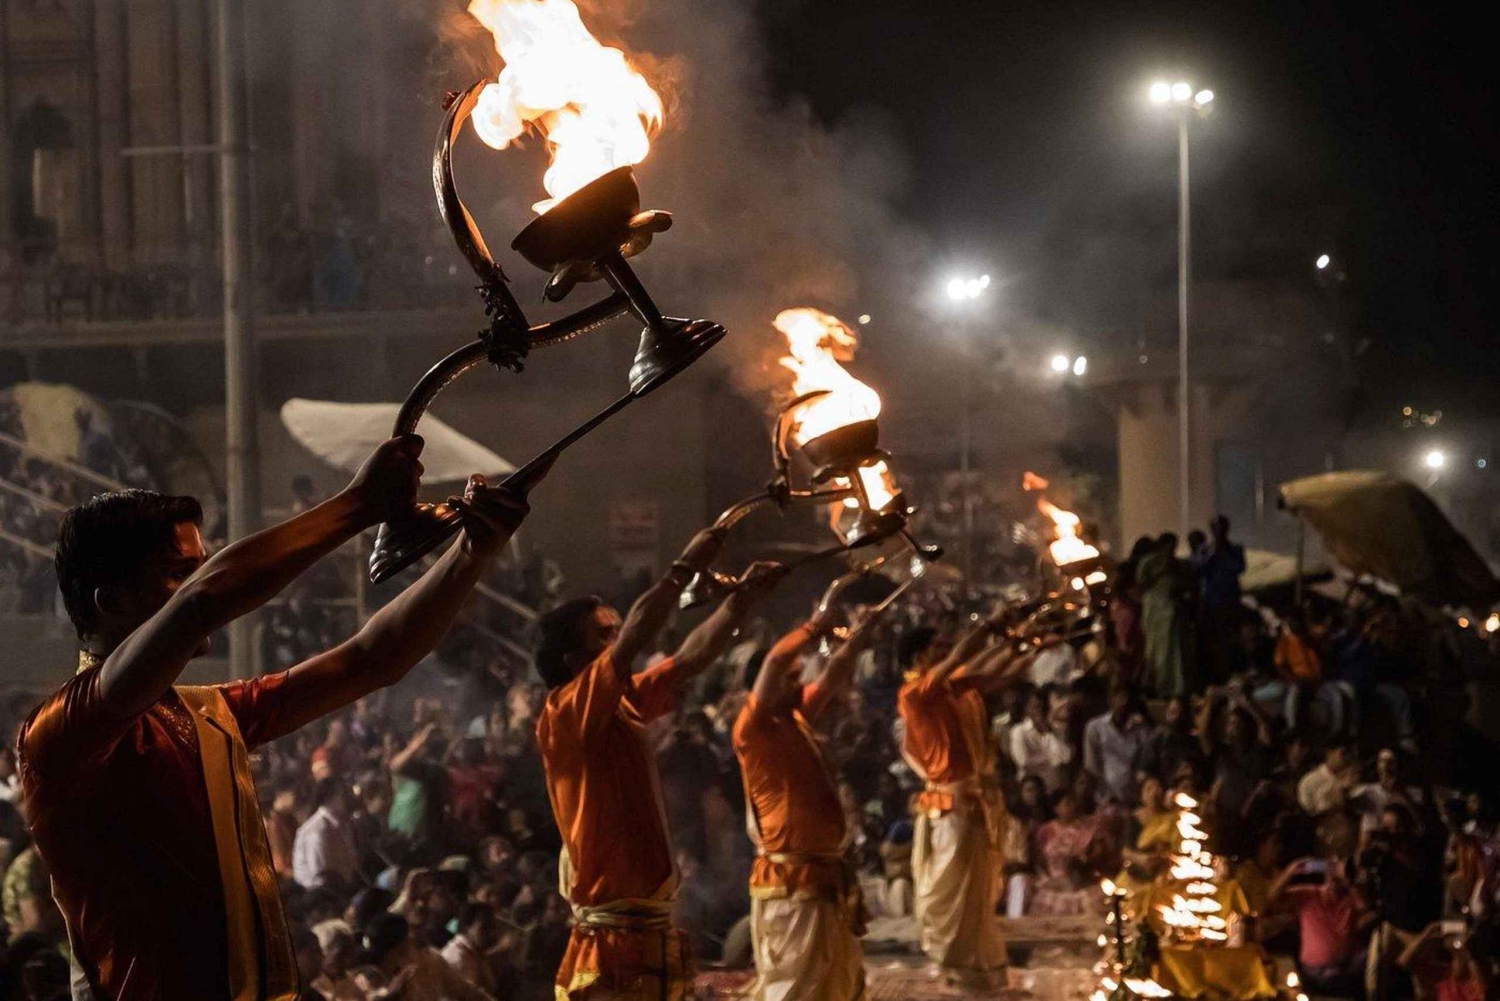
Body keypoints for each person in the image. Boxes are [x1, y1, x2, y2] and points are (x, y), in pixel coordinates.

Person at [17, 436, 535, 1000]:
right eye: (178, 572)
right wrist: (356, 505)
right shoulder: (62, 731)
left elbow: (373, 658)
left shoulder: (210, 711)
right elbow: (203, 601)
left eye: (200, 568)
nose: (200, 581)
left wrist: (471, 551)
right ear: (111, 601)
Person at [532, 524, 785, 1001]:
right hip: (614, 932)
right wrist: (685, 566)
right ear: (573, 660)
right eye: (604, 635)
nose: (618, 640)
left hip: (645, 923)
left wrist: (741, 600)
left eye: (616, 631)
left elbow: (689, 659)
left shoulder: (622, 700)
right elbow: (637, 635)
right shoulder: (566, 712)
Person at [733, 599, 887, 1001]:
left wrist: (861, 634)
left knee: (831, 980)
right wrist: (812, 628)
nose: (798, 684)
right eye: (791, 678)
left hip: (823, 873)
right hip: (791, 878)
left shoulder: (794, 716)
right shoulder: (753, 727)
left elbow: (835, 673)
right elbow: (773, 663)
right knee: (796, 986)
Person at [898, 617, 1033, 988]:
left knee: (976, 892)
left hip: (973, 801)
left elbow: (992, 673)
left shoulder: (950, 688)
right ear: (920, 657)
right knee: (954, 890)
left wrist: (1024, 645)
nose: (946, 654)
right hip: (951, 804)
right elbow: (964, 657)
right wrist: (992, 626)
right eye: (938, 649)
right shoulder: (915, 694)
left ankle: (977, 972)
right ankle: (956, 968)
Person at [1082, 682, 1150, 806]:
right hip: (1106, 799)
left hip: (1134, 797)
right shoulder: (1095, 727)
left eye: (1126, 697)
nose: (1123, 702)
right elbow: (1091, 766)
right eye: (1120, 697)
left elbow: (1144, 762)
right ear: (1111, 699)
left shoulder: (1140, 728)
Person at [293, 777, 360, 893]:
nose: (350, 797)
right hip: (321, 895)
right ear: (330, 799)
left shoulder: (343, 822)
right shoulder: (317, 831)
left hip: (343, 887)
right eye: (344, 794)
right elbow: (323, 877)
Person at [1008, 686, 1073, 794]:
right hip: (1034, 791)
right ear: (1026, 709)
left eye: (1042, 707)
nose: (1040, 711)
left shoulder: (1056, 729)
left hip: (1056, 788)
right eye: (1035, 707)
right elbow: (1023, 761)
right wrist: (1052, 759)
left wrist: (1049, 732)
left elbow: (1066, 757)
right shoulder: (1019, 731)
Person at [1297, 743, 1357, 818]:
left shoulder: (1354, 779)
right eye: (1343, 753)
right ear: (1330, 753)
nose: (1347, 758)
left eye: (1350, 754)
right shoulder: (1310, 780)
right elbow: (1307, 811)